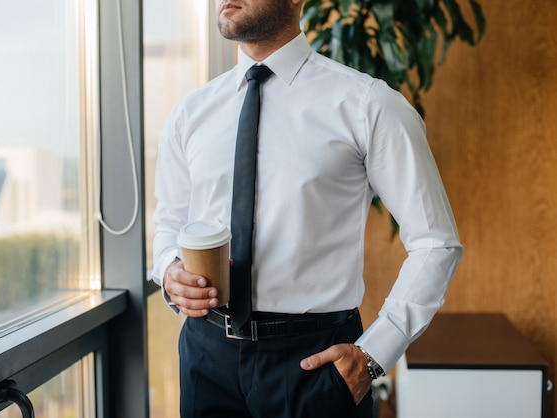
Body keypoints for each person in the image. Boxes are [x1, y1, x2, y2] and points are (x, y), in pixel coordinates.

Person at [151, 0, 463, 417]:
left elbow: (436, 243)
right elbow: (169, 223)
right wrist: (170, 270)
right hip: (205, 358)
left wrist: (373, 355)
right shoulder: (190, 113)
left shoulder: (368, 104)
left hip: (315, 365)